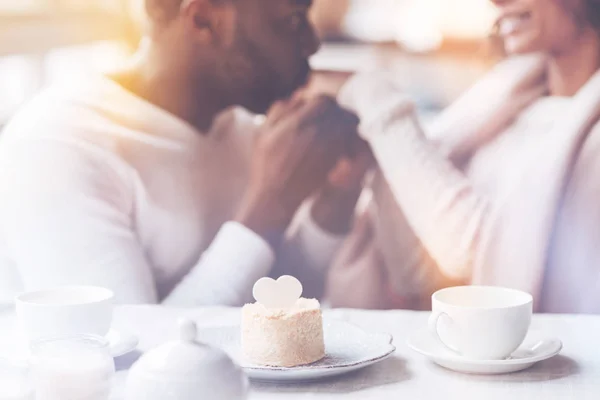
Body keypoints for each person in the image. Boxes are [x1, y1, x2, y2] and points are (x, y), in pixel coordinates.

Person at [0, 0, 370, 305]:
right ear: (202, 20)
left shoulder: (238, 125)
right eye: (291, 21)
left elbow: (266, 310)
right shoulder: (60, 149)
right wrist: (268, 203)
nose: (313, 43)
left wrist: (334, 203)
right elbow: (131, 366)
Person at [327, 0, 600, 313]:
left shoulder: (590, 142)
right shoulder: (498, 106)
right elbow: (419, 277)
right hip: (442, 343)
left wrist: (376, 100)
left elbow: (480, 261)